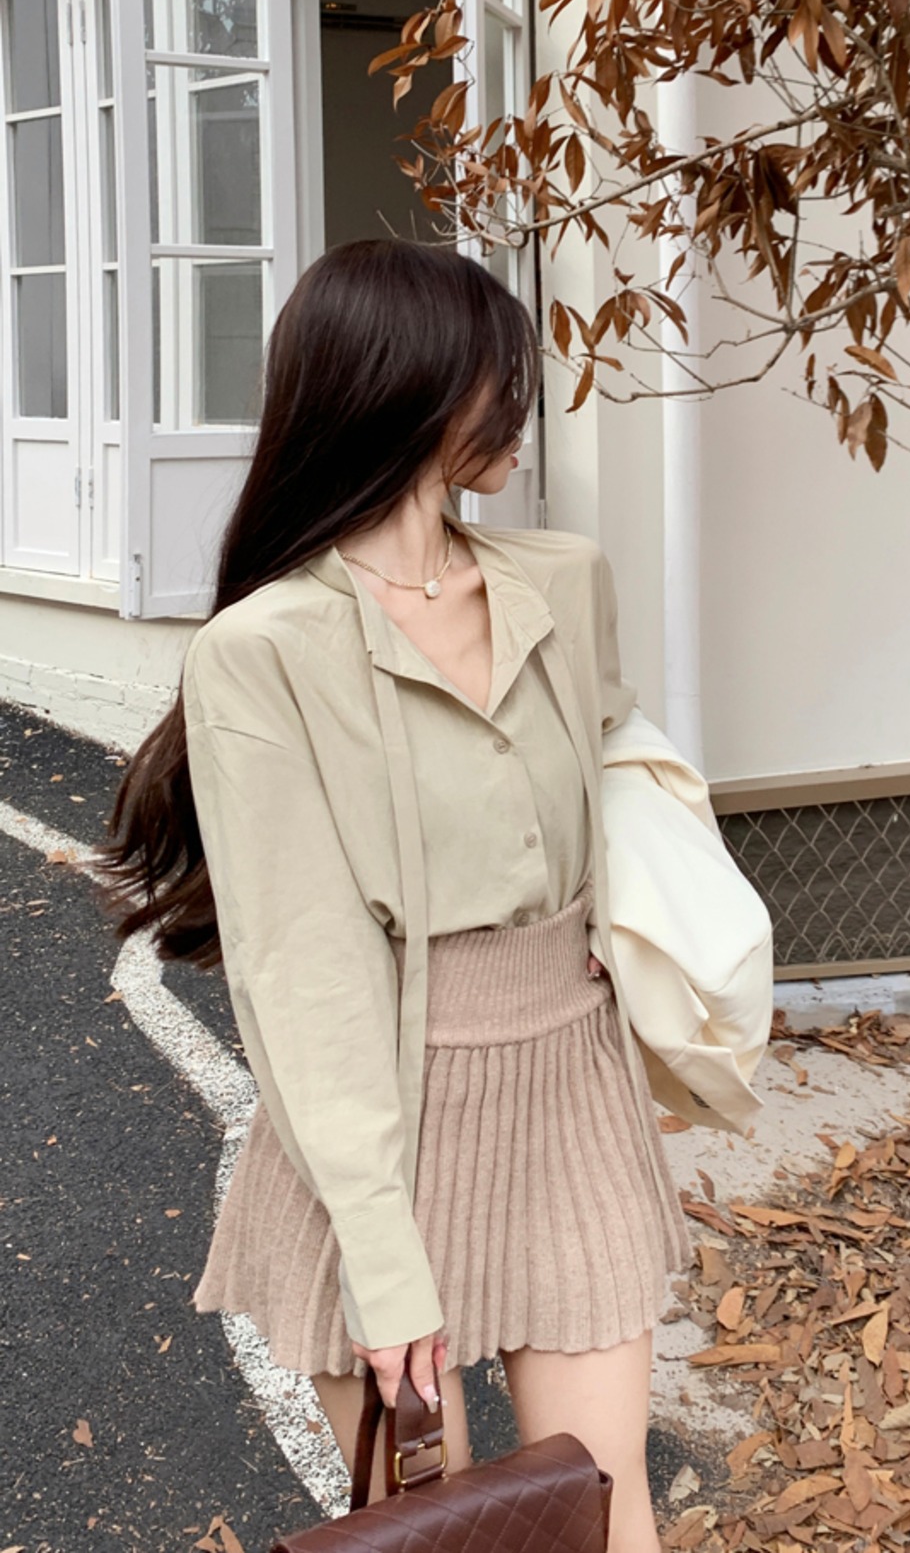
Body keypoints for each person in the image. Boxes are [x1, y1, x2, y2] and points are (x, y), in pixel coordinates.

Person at [97, 239, 695, 1553]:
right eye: (498, 376)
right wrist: (380, 1254)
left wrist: (632, 939)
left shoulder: (562, 581)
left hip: (570, 1093)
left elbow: (618, 780)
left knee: (610, 1516)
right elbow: (304, 965)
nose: (523, 402)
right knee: (435, 1532)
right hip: (380, 1131)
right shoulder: (264, 652)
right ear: (408, 389)